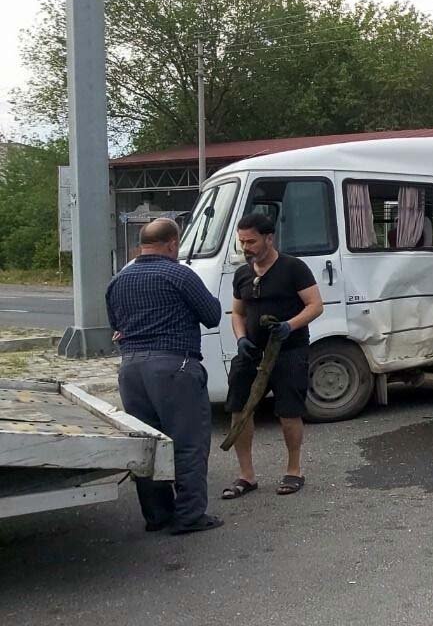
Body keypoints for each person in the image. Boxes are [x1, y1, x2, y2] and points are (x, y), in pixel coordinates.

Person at [105, 218, 223, 535]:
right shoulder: (180, 274)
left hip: (131, 370)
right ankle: (190, 516)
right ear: (172, 243)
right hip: (173, 367)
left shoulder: (118, 280)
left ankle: (158, 515)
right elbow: (212, 315)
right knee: (188, 444)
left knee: (147, 445)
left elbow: (115, 325)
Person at [221, 213, 324, 499]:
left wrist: (288, 326)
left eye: (251, 241)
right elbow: (238, 313)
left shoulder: (294, 268)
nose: (246, 247)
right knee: (239, 409)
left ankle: (294, 470)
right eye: (242, 241)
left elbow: (315, 305)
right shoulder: (243, 273)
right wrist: (241, 339)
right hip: (251, 353)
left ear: (269, 238)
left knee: (288, 411)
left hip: (289, 351)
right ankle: (246, 476)